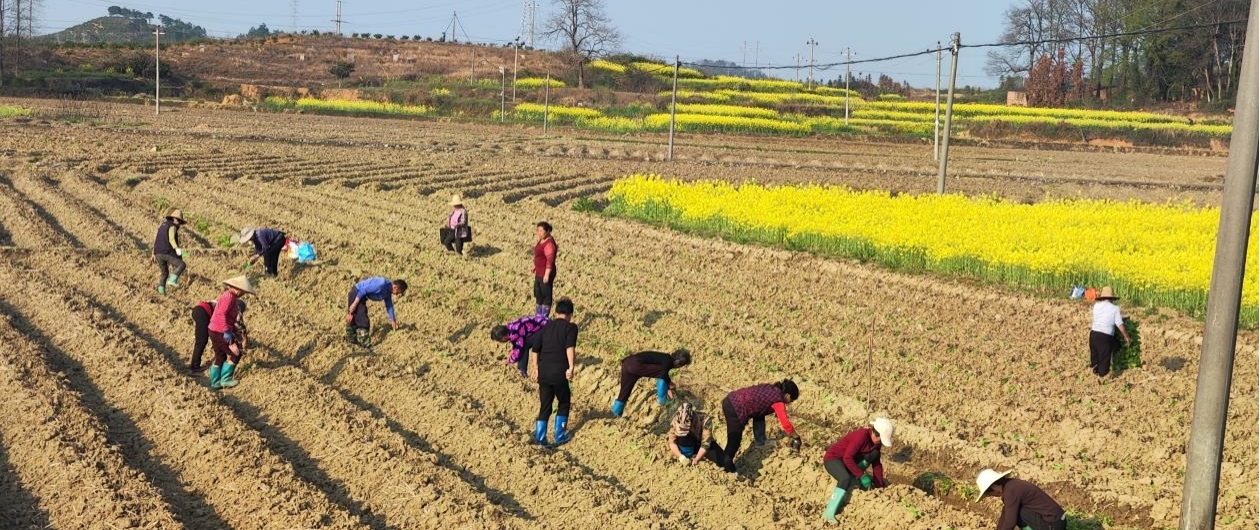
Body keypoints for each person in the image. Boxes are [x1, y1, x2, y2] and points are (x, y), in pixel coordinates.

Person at [820, 417, 895, 524]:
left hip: (848, 462)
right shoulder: (861, 436)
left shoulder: (876, 444)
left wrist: (879, 486)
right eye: (880, 440)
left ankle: (853, 476)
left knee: (874, 454)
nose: (880, 443)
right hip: (834, 459)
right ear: (874, 433)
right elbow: (847, 458)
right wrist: (861, 475)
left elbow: (876, 465)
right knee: (845, 479)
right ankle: (829, 512)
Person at [525, 298, 577, 446]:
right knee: (564, 401)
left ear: (555, 313)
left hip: (544, 373)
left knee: (545, 405)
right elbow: (570, 348)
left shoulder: (545, 327)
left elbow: (535, 350)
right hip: (559, 372)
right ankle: (559, 435)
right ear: (570, 314)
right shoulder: (571, 328)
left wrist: (536, 368)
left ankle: (541, 438)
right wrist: (571, 367)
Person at [720, 379, 801, 472]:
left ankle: (760, 441)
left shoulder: (771, 389)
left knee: (759, 414)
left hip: (731, 399)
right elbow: (785, 423)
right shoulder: (778, 400)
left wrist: (761, 441)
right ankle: (726, 467)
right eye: (790, 400)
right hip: (735, 407)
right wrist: (796, 436)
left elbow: (759, 412)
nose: (788, 403)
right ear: (788, 395)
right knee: (734, 441)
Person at [975, 469, 1067, 530]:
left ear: (994, 486)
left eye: (990, 493)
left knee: (1018, 513)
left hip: (1053, 523)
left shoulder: (1010, 491)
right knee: (1014, 510)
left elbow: (1010, 522)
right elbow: (1005, 514)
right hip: (1056, 520)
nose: (993, 496)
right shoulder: (1011, 486)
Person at [611, 349, 692, 417]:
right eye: (681, 366)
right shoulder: (668, 360)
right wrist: (669, 383)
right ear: (678, 362)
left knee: (624, 392)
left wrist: (667, 385)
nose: (678, 368)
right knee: (662, 373)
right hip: (636, 364)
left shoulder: (663, 358)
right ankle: (662, 399)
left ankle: (615, 413)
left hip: (627, 362)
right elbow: (663, 374)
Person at [208, 275, 256, 390]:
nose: (243, 294)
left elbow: (229, 317)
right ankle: (225, 379)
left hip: (214, 329)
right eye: (243, 292)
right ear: (238, 289)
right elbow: (221, 314)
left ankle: (215, 382)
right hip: (220, 331)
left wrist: (233, 330)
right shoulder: (229, 297)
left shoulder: (229, 297)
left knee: (220, 355)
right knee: (236, 353)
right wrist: (227, 332)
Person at [345, 277, 408, 347]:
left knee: (356, 316)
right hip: (357, 294)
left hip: (361, 297)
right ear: (395, 287)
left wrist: (393, 320)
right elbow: (363, 290)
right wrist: (354, 304)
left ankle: (352, 340)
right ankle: (365, 343)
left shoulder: (387, 292)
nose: (397, 294)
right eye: (398, 292)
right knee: (362, 319)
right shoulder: (382, 284)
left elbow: (389, 305)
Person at [190, 298, 247, 376]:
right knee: (202, 340)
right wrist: (243, 339)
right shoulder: (234, 309)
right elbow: (238, 325)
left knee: (202, 339)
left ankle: (195, 365)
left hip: (199, 310)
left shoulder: (225, 303)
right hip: (203, 312)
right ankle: (194, 367)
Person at [1089, 286, 1131, 377]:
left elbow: (1101, 318)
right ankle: (1102, 376)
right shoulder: (1115, 308)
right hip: (1105, 337)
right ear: (1112, 298)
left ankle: (1093, 374)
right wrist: (1126, 336)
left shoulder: (1096, 306)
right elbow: (1119, 323)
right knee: (1104, 364)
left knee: (1095, 359)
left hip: (1093, 335)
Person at [667, 402, 726, 468]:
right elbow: (672, 442)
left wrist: (697, 459)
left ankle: (732, 471)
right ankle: (687, 455)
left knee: (726, 461)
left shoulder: (705, 420)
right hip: (684, 444)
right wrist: (681, 457)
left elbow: (705, 444)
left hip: (700, 443)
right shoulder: (676, 420)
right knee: (683, 438)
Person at [491, 313, 549, 378]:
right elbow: (516, 345)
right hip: (542, 325)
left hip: (547, 328)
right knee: (524, 344)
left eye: (499, 340)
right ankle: (522, 370)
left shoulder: (514, 333)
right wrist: (511, 354)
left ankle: (522, 372)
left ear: (503, 337)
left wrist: (509, 361)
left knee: (523, 347)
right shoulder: (510, 327)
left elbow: (518, 351)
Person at [152, 208, 187, 295]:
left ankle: (161, 291)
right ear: (174, 218)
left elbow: (157, 240)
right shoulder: (172, 226)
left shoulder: (162, 226)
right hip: (165, 252)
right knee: (182, 264)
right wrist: (177, 248)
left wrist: (153, 254)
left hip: (158, 254)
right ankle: (173, 279)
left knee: (165, 272)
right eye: (178, 220)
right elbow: (171, 238)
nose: (179, 223)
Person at [531, 221, 557, 317]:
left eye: (541, 230)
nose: (539, 232)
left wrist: (547, 274)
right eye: (538, 230)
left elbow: (550, 260)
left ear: (547, 231)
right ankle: (538, 316)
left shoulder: (549, 244)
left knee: (546, 295)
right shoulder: (541, 240)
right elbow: (539, 256)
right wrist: (535, 266)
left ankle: (544, 317)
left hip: (545, 273)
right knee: (538, 294)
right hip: (539, 271)